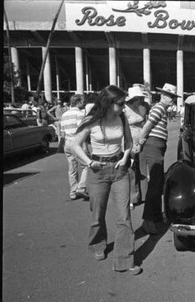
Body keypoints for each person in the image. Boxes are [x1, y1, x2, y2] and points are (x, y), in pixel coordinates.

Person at [71, 85, 142, 275]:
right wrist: (89, 162)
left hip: (119, 170)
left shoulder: (122, 118)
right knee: (97, 214)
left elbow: (128, 142)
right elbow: (74, 145)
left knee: (124, 216)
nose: (124, 107)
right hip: (98, 170)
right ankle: (97, 243)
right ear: (109, 103)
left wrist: (125, 157)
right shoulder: (92, 121)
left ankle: (124, 260)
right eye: (120, 103)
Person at [136, 83, 180, 235]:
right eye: (170, 97)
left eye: (173, 97)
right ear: (163, 96)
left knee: (157, 181)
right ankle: (148, 220)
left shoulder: (161, 108)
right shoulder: (159, 107)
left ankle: (154, 216)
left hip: (157, 144)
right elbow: (149, 125)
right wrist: (141, 140)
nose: (172, 100)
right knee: (155, 182)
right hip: (153, 144)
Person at [124, 85, 150, 209]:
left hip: (141, 141)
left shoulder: (140, 108)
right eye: (139, 98)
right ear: (133, 99)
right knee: (131, 171)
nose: (141, 100)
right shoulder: (125, 109)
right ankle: (132, 198)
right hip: (130, 142)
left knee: (142, 169)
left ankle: (142, 195)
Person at [60, 94, 89, 200]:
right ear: (78, 102)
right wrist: (85, 146)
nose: (84, 103)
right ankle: (81, 188)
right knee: (86, 165)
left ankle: (73, 192)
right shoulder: (80, 114)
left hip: (67, 142)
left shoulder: (64, 114)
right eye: (83, 101)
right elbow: (81, 131)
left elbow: (62, 133)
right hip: (77, 142)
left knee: (72, 168)